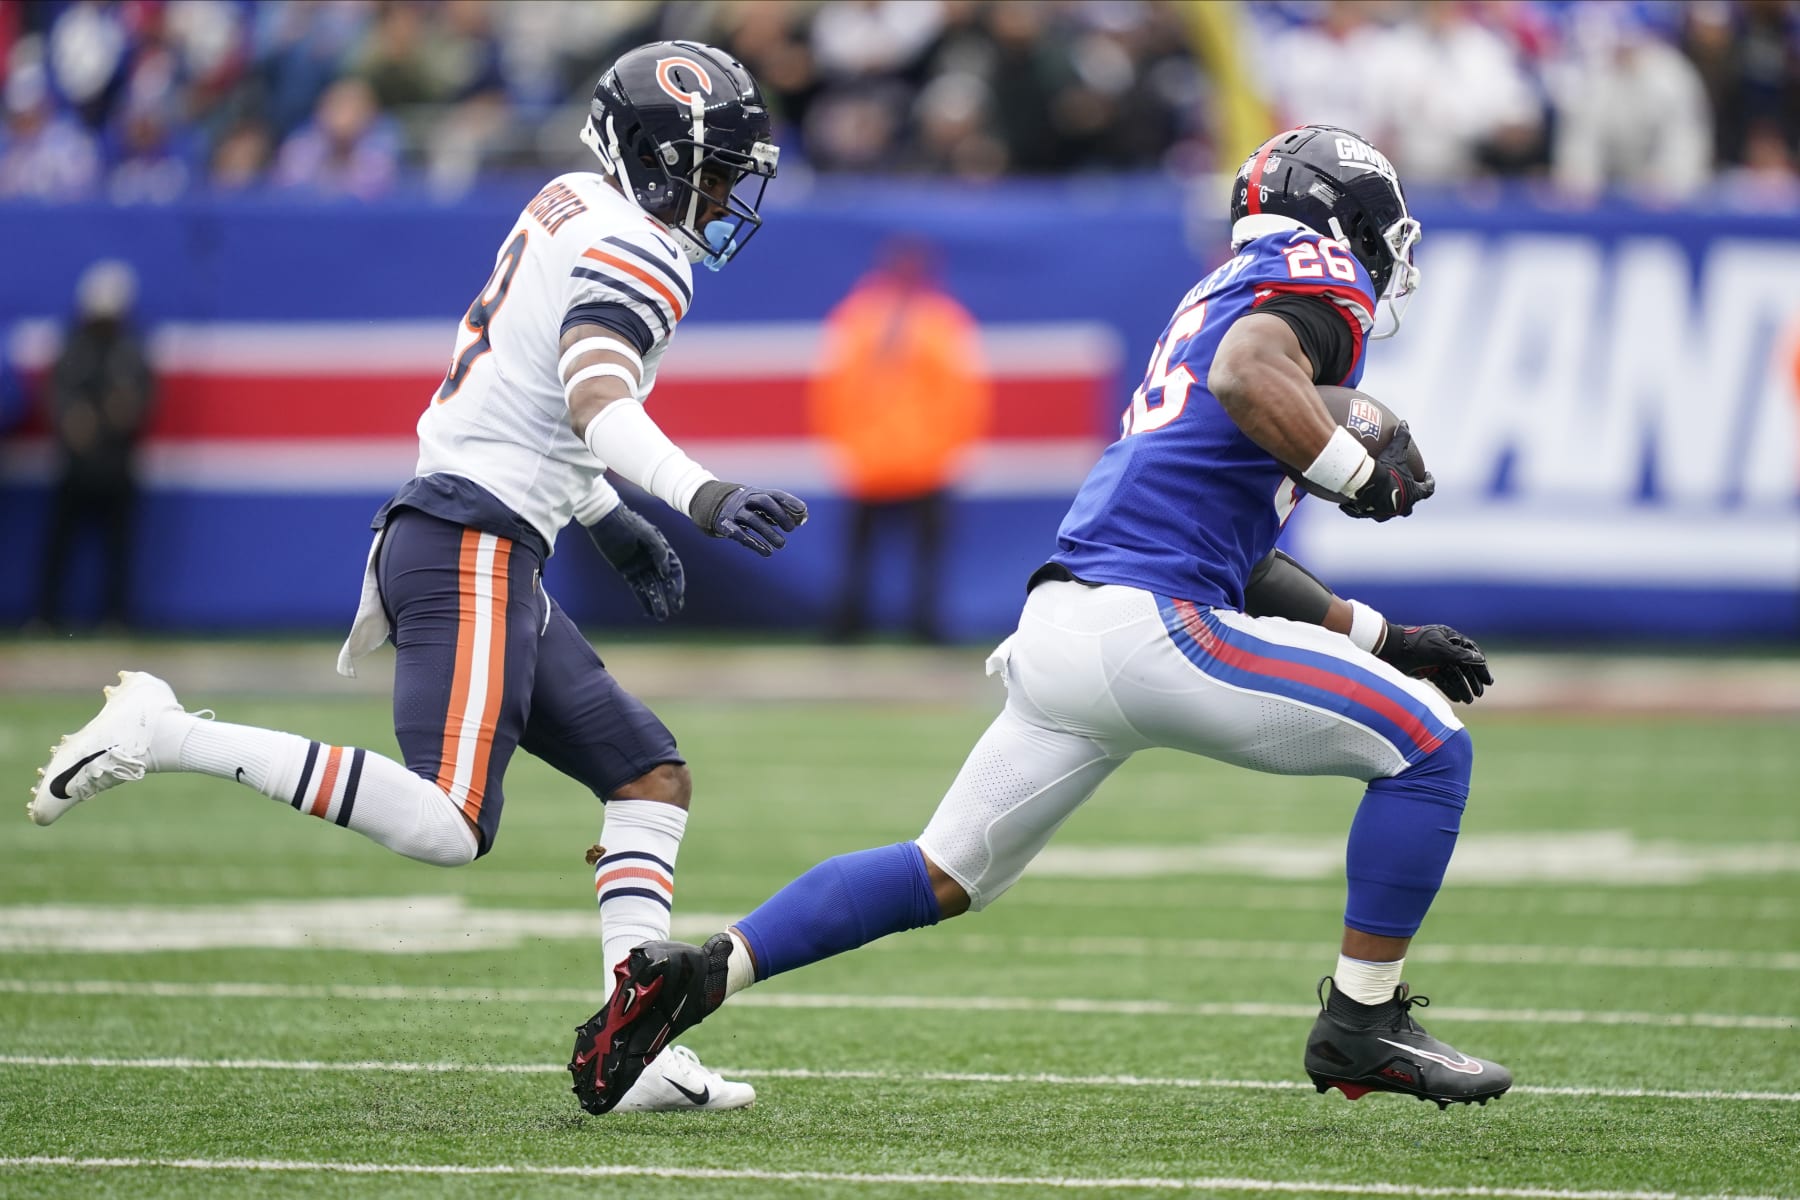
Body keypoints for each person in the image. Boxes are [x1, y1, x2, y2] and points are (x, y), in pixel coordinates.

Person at [573, 125, 1511, 1116]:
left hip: (1072, 627)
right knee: (1428, 749)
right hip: (1153, 625)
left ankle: (698, 977)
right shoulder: (1310, 272)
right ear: (1345, 217)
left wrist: (1379, 635)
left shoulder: (1225, 291)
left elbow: (1243, 550)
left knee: (944, 872)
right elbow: (1247, 376)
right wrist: (1353, 471)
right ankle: (1361, 1021)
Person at [30, 41, 807, 1115]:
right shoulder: (642, 246)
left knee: (647, 776)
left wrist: (602, 512)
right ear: (655, 156)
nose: (725, 191)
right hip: (469, 540)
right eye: (711, 166)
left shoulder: (571, 199)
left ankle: (637, 1050)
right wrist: (699, 493)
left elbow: (525, 394)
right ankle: (168, 733)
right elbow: (593, 398)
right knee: (451, 822)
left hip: (478, 524)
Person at [810, 237, 991, 643]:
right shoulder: (919, 321)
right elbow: (836, 388)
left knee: (906, 556)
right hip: (892, 460)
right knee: (883, 555)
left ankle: (898, 625)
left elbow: (962, 395)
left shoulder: (881, 320)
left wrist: (947, 449)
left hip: (902, 460)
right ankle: (870, 626)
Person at [35, 261, 155, 630]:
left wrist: (112, 414)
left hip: (117, 466)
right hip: (77, 466)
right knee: (60, 545)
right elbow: (63, 405)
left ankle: (115, 617)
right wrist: (75, 418)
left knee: (118, 548)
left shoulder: (130, 351)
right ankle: (47, 616)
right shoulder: (75, 348)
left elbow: (132, 408)